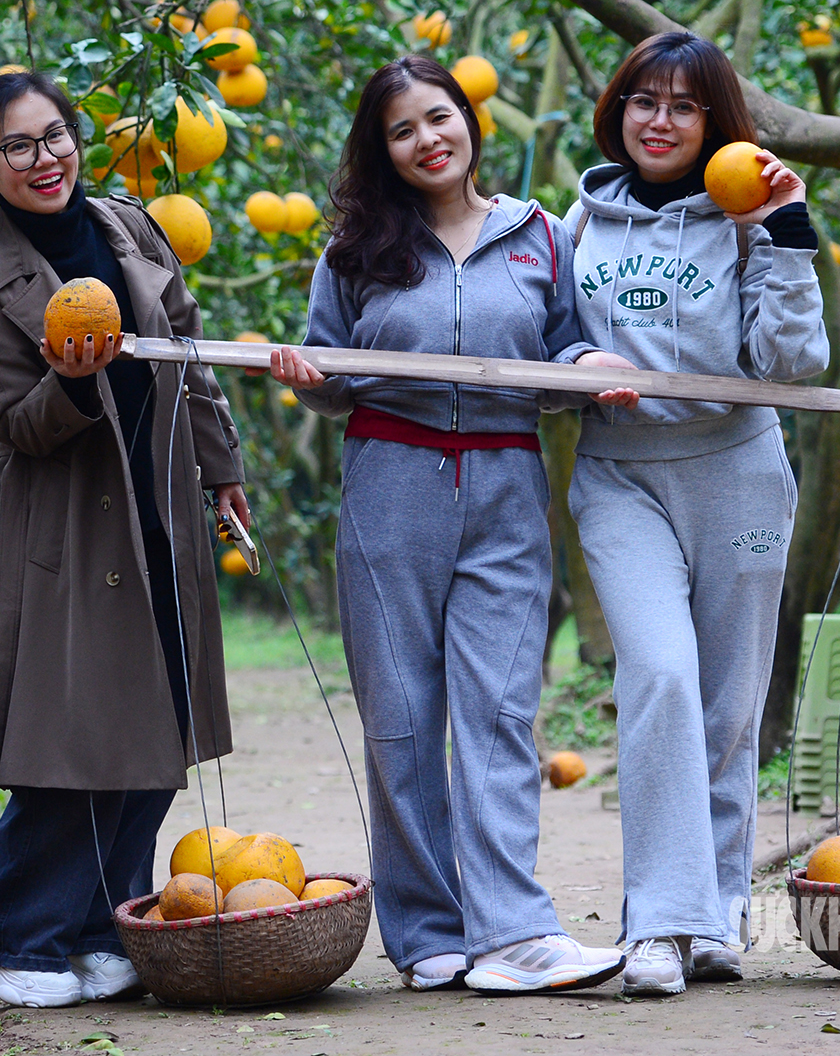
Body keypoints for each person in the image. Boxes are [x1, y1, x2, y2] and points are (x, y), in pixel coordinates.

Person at [266, 54, 623, 996]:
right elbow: (332, 380)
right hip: (391, 486)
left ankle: (513, 933)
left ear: (469, 121)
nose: (428, 139)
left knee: (503, 711)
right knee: (402, 718)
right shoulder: (355, 251)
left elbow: (563, 341)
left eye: (440, 118)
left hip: (508, 488)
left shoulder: (540, 235)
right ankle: (427, 930)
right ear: (382, 151)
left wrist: (590, 365)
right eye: (402, 130)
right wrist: (312, 379)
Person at [0, 69, 251, 1008]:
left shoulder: (131, 227)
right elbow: (13, 426)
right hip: (65, 521)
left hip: (156, 503)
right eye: (18, 148)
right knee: (70, 741)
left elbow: (187, 352)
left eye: (56, 134)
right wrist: (72, 384)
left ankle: (98, 927)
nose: (46, 158)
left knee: (160, 726)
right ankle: (8, 937)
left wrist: (220, 466)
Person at [560, 30, 828, 997]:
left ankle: (714, 917)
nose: (660, 121)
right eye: (644, 100)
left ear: (717, 123)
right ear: (618, 111)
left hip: (740, 475)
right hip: (621, 477)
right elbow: (547, 343)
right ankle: (659, 926)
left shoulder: (751, 220)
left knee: (729, 705)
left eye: (684, 106)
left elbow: (792, 363)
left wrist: (789, 227)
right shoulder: (574, 227)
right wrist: (579, 366)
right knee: (662, 677)